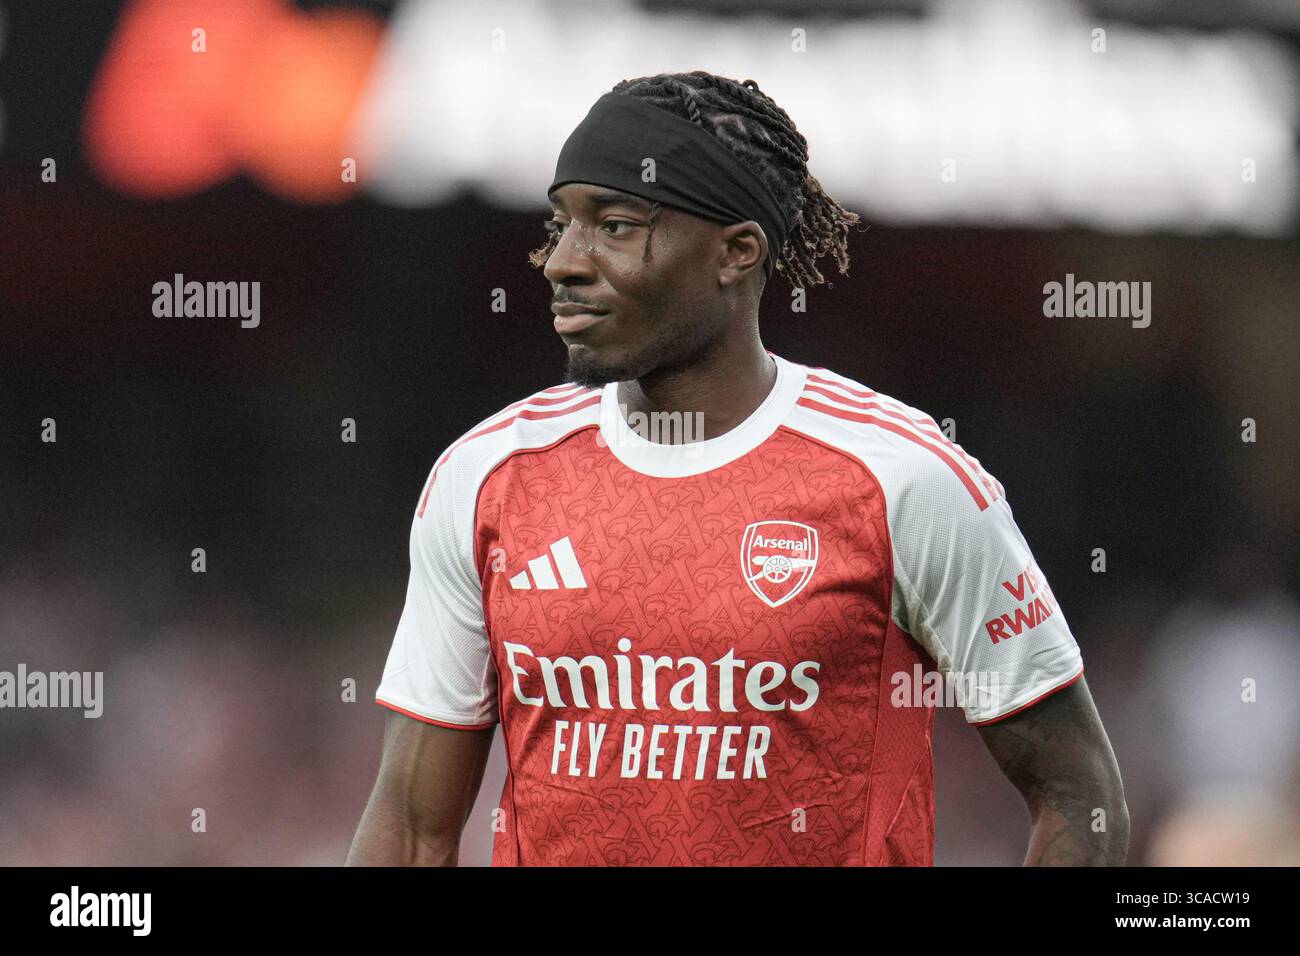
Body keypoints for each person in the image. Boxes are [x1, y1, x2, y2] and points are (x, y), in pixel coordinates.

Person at [347, 71, 1128, 866]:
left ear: (736, 252)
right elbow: (412, 832)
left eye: (614, 226)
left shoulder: (902, 481)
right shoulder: (487, 477)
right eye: (561, 225)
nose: (561, 263)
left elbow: (1078, 793)